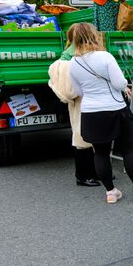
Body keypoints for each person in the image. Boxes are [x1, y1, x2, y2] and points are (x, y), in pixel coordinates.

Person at [69, 22, 133, 204]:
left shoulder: (73, 63)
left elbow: (79, 91)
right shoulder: (105, 56)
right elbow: (119, 83)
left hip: (91, 112)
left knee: (100, 153)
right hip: (115, 108)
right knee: (129, 151)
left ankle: (110, 192)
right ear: (94, 36)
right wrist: (125, 86)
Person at [47, 25, 101, 187]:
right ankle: (83, 175)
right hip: (82, 101)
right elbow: (70, 87)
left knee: (90, 136)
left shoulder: (71, 55)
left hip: (88, 101)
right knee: (82, 136)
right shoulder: (69, 57)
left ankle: (95, 172)